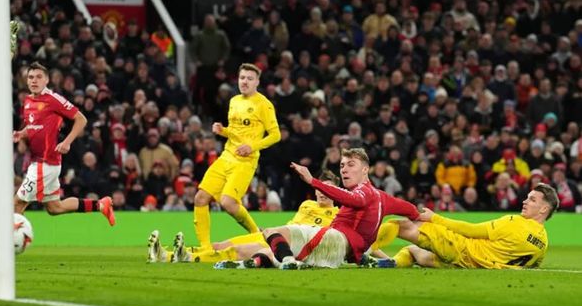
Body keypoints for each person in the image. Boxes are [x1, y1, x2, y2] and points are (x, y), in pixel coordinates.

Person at [220, 148, 418, 269]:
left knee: (272, 233)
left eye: (351, 164)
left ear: (365, 169)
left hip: (336, 240)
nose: (344, 169)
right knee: (274, 250)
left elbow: (353, 199)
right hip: (338, 253)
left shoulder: (363, 191)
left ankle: (288, 263)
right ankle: (253, 263)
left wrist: (312, 181)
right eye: (342, 165)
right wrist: (423, 215)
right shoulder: (383, 197)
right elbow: (409, 208)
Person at [148, 170, 340, 264]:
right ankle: (167, 255)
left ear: (336, 192)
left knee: (236, 250)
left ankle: (180, 257)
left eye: (328, 189)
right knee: (217, 245)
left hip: (287, 245)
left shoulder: (338, 214)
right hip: (273, 234)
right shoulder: (306, 204)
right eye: (319, 189)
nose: (322, 193)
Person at [13, 62, 114, 225]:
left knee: (16, 203)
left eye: (39, 77)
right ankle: (101, 205)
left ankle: (11, 244)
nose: (34, 81)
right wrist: (22, 133)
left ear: (46, 80)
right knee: (55, 207)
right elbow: (34, 126)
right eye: (31, 77)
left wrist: (67, 142)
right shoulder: (28, 101)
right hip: (41, 162)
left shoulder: (53, 99)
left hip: (45, 163)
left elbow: (81, 119)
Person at [366, 184, 558, 269]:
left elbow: (470, 230)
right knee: (414, 252)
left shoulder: (515, 222)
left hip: (461, 248)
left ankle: (363, 250)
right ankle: (387, 262)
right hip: (467, 266)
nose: (524, 201)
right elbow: (532, 265)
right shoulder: (543, 243)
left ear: (543, 209)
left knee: (401, 225)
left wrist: (435, 218)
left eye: (531, 200)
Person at [193, 63, 280, 249]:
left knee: (228, 202)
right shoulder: (234, 101)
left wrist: (253, 146)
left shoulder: (264, 104)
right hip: (226, 156)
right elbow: (235, 131)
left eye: (249, 78)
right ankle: (206, 248)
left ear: (257, 81)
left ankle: (257, 233)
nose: (245, 82)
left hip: (245, 161)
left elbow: (275, 135)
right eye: (242, 78)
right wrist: (223, 131)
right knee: (200, 198)